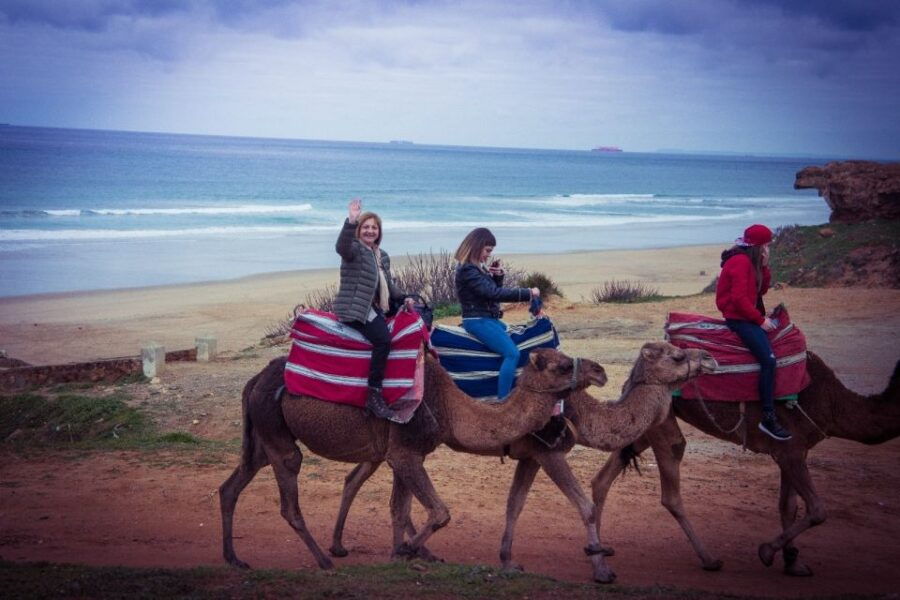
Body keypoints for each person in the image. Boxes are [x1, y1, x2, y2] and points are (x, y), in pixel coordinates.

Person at [334, 198, 414, 419]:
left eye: (374, 227)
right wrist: (350, 221)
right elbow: (341, 246)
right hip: (354, 308)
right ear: (359, 230)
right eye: (366, 227)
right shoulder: (355, 250)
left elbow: (388, 285)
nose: (370, 231)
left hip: (372, 307)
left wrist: (406, 297)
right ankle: (373, 393)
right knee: (383, 340)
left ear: (379, 232)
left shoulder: (381, 255)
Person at [715, 224, 791, 441]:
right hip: (740, 319)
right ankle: (767, 416)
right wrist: (760, 320)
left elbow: (761, 290)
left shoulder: (750, 262)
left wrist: (765, 267)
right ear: (759, 246)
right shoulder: (739, 263)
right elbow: (739, 300)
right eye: (767, 245)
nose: (768, 248)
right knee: (768, 361)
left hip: (747, 316)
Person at [454, 227, 540, 401]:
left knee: (514, 337)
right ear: (476, 246)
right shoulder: (468, 270)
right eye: (487, 250)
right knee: (512, 353)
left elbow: (491, 293)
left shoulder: (476, 268)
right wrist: (527, 293)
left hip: (487, 318)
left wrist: (497, 277)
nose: (488, 255)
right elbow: (492, 294)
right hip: (477, 320)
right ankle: (504, 402)